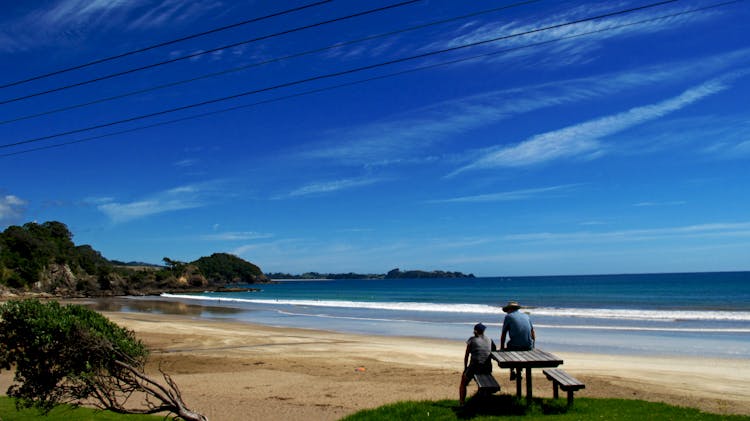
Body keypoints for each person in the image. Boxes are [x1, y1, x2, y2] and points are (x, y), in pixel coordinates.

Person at [459, 322, 495, 405]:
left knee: (463, 382)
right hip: (487, 367)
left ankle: (462, 402)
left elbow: (466, 355)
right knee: (482, 379)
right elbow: (493, 352)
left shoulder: (472, 339)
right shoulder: (490, 340)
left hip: (475, 366)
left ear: (475, 331)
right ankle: (480, 399)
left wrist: (465, 368)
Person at [499, 301, 535, 381]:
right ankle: (519, 370)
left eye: (508, 310)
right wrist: (533, 346)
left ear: (510, 309)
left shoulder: (508, 317)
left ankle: (512, 371)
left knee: (510, 346)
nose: (507, 311)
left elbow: (504, 334)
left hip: (516, 346)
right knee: (518, 347)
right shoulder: (526, 315)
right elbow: (533, 332)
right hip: (528, 345)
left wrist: (501, 348)